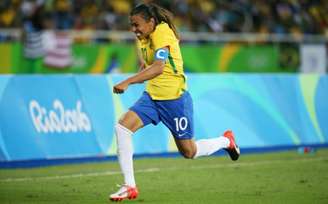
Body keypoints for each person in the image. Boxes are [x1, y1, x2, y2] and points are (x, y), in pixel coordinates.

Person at [109, 3, 240, 202]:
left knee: (189, 151)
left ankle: (226, 141)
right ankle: (130, 186)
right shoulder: (143, 38)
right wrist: (143, 68)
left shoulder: (162, 31)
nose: (134, 30)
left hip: (175, 100)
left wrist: (128, 81)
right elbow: (149, 64)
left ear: (151, 22)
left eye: (137, 25)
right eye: (132, 25)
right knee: (122, 127)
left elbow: (159, 68)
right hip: (152, 98)